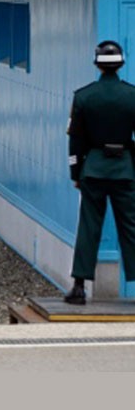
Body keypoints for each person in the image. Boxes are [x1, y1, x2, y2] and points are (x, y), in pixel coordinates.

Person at [65, 40, 135, 305]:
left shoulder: (83, 96)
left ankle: (80, 287)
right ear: (121, 64)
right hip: (125, 170)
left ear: (97, 64)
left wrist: (75, 172)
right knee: (131, 227)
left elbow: (76, 140)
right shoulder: (132, 95)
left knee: (89, 226)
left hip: (93, 168)